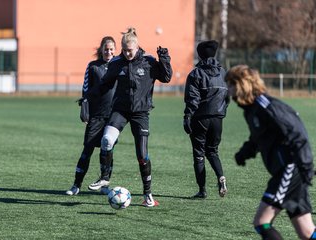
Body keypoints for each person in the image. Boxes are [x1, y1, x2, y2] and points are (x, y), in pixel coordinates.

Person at [225, 64, 316, 240]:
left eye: (230, 84)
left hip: (289, 169)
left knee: (262, 222)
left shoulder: (266, 106)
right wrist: (245, 152)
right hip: (290, 171)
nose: (228, 89)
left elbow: (297, 133)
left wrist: (305, 166)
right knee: (306, 232)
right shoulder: (251, 109)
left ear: (242, 85)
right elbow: (259, 137)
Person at [87, 27, 172, 207]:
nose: (127, 54)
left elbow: (166, 77)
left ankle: (148, 194)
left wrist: (164, 59)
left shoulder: (148, 61)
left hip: (141, 113)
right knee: (106, 141)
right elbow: (104, 84)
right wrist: (88, 99)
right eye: (124, 50)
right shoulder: (117, 62)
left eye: (130, 50)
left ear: (136, 46)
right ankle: (104, 178)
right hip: (120, 110)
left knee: (142, 155)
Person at [66, 36, 117, 196]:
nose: (108, 51)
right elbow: (86, 89)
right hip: (96, 116)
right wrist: (85, 106)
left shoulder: (119, 65)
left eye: (111, 49)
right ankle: (76, 185)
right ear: (101, 49)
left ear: (115, 50)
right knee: (87, 150)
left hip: (113, 116)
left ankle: (104, 185)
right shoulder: (93, 66)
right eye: (106, 48)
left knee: (107, 151)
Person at [183, 40, 229, 199]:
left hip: (200, 119)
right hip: (218, 119)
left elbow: (192, 99)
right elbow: (227, 96)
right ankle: (221, 177)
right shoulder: (223, 73)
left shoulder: (195, 74)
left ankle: (202, 190)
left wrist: (187, 116)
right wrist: (222, 112)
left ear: (200, 55)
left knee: (199, 154)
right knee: (213, 151)